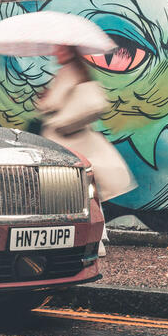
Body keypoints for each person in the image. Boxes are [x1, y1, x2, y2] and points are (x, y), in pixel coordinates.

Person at [36, 45, 137, 255]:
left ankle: (85, 241)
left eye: (60, 49)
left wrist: (45, 98)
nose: (56, 53)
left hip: (65, 144)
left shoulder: (67, 72)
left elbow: (51, 105)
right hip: (83, 142)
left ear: (69, 51)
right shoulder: (82, 72)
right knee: (88, 195)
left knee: (65, 194)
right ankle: (97, 239)